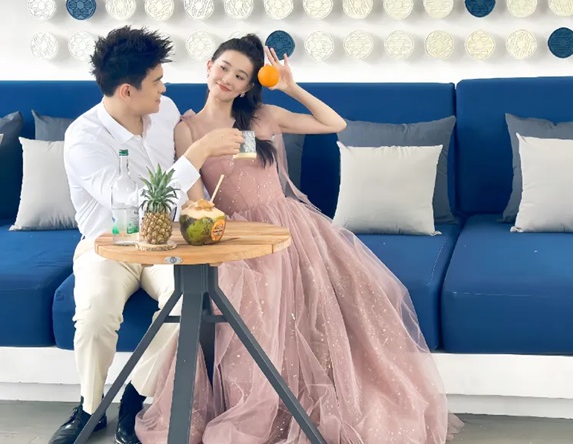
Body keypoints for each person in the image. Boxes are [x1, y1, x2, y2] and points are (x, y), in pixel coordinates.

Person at [135, 34, 463, 443]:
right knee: (252, 306)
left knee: (361, 291)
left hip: (288, 228)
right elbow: (196, 202)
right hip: (235, 235)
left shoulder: (263, 117)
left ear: (248, 86)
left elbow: (334, 124)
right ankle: (250, 403)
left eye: (240, 76)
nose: (228, 79)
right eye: (224, 68)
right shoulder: (187, 130)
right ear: (209, 67)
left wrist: (291, 87)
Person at [50, 26, 244, 444]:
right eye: (156, 81)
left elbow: (179, 189)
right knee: (95, 311)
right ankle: (89, 407)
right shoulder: (84, 138)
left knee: (190, 301)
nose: (164, 88)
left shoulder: (166, 111)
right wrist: (198, 153)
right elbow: (136, 201)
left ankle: (134, 398)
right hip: (108, 246)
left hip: (167, 242)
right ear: (126, 91)